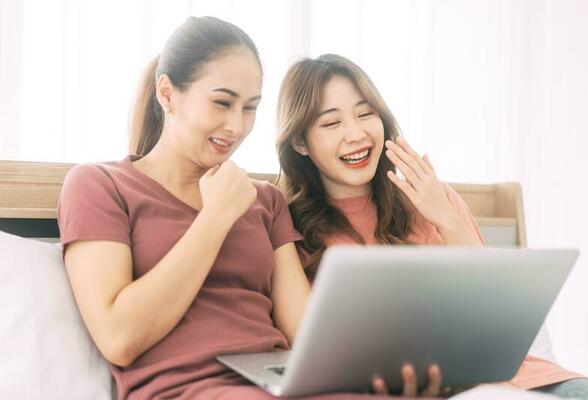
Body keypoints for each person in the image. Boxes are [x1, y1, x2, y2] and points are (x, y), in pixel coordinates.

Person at [58, 17, 442, 399]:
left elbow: (307, 334)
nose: (236, 126)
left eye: (250, 108)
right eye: (222, 103)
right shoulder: (99, 185)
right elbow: (119, 338)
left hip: (281, 384)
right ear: (167, 93)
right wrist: (214, 219)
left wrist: (384, 377)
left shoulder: (264, 200)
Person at [275, 53, 588, 399]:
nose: (356, 134)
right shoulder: (288, 229)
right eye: (331, 123)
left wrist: (445, 217)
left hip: (519, 376)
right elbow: (314, 350)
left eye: (365, 113)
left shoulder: (431, 196)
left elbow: (495, 308)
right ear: (299, 142)